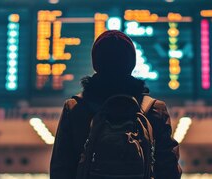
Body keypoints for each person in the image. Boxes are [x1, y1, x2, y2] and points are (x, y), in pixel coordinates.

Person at [50, 30, 182, 179]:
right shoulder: (154, 110)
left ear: (96, 63)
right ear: (131, 63)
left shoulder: (75, 108)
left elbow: (60, 170)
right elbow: (169, 171)